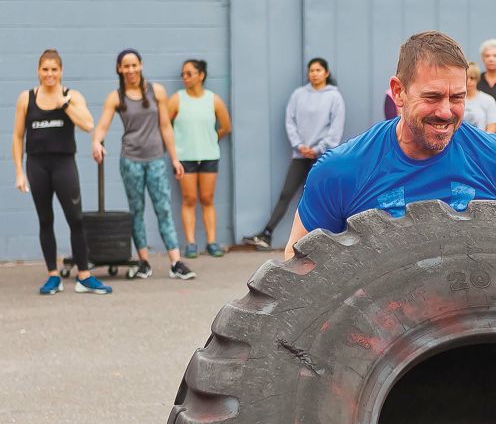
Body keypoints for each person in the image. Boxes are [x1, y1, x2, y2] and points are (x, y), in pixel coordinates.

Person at [284, 30, 496, 424]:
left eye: (458, 97)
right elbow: (295, 269)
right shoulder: (343, 171)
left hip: (455, 365)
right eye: (432, 97)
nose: (446, 112)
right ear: (398, 92)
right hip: (374, 366)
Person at [11, 49, 111, 295]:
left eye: (54, 69)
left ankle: (84, 276)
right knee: (46, 220)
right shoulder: (27, 98)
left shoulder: (72, 96)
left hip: (64, 164)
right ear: (38, 71)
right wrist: (19, 172)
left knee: (75, 218)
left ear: (61, 71)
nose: (49, 74)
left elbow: (88, 125)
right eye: (45, 69)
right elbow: (17, 136)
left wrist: (64, 104)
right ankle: (52, 276)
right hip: (37, 165)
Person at [93, 49, 195, 280]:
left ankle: (176, 261)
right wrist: (96, 142)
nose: (130, 70)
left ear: (141, 65)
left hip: (156, 159)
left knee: (164, 209)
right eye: (126, 66)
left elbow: (166, 126)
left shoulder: (156, 91)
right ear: (119, 69)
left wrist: (174, 158)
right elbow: (102, 125)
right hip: (131, 161)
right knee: (136, 211)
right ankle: (144, 262)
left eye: (134, 65)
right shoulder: (116, 97)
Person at [243, 58, 345, 250]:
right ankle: (266, 234)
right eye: (311, 70)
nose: (314, 73)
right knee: (286, 194)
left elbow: (335, 130)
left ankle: (325, 241)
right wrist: (299, 145)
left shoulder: (335, 97)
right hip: (300, 155)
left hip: (322, 158)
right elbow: (290, 120)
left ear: (326, 73)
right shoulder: (299, 95)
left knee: (320, 199)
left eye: (318, 70)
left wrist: (317, 149)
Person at [169, 59, 232, 258]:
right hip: (184, 158)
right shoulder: (177, 99)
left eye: (189, 73)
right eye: (183, 74)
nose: (185, 77)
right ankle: (191, 243)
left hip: (209, 156)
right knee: (189, 199)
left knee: (207, 198)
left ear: (201, 75)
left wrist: (211, 138)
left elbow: (226, 127)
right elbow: (165, 126)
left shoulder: (213, 100)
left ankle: (212, 242)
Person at [464, 63, 496, 133]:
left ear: (477, 79)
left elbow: (492, 129)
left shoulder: (488, 100)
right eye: (466, 78)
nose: (468, 81)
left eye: (472, 78)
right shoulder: (455, 99)